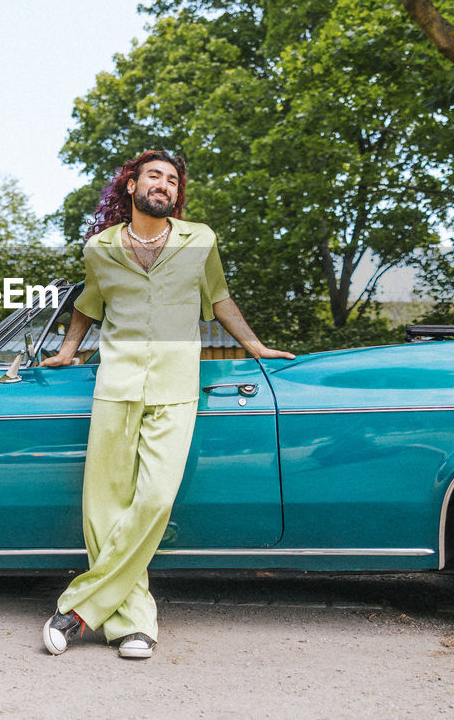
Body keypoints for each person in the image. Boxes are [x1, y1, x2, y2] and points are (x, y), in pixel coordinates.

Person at [39, 150, 293, 660]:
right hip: (116, 383)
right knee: (103, 507)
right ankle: (134, 624)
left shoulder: (199, 239)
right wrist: (67, 351)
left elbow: (219, 299)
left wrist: (257, 347)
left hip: (178, 384)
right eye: (155, 176)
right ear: (131, 184)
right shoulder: (100, 247)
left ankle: (80, 610)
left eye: (173, 180)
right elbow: (90, 303)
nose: (165, 185)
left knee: (154, 499)